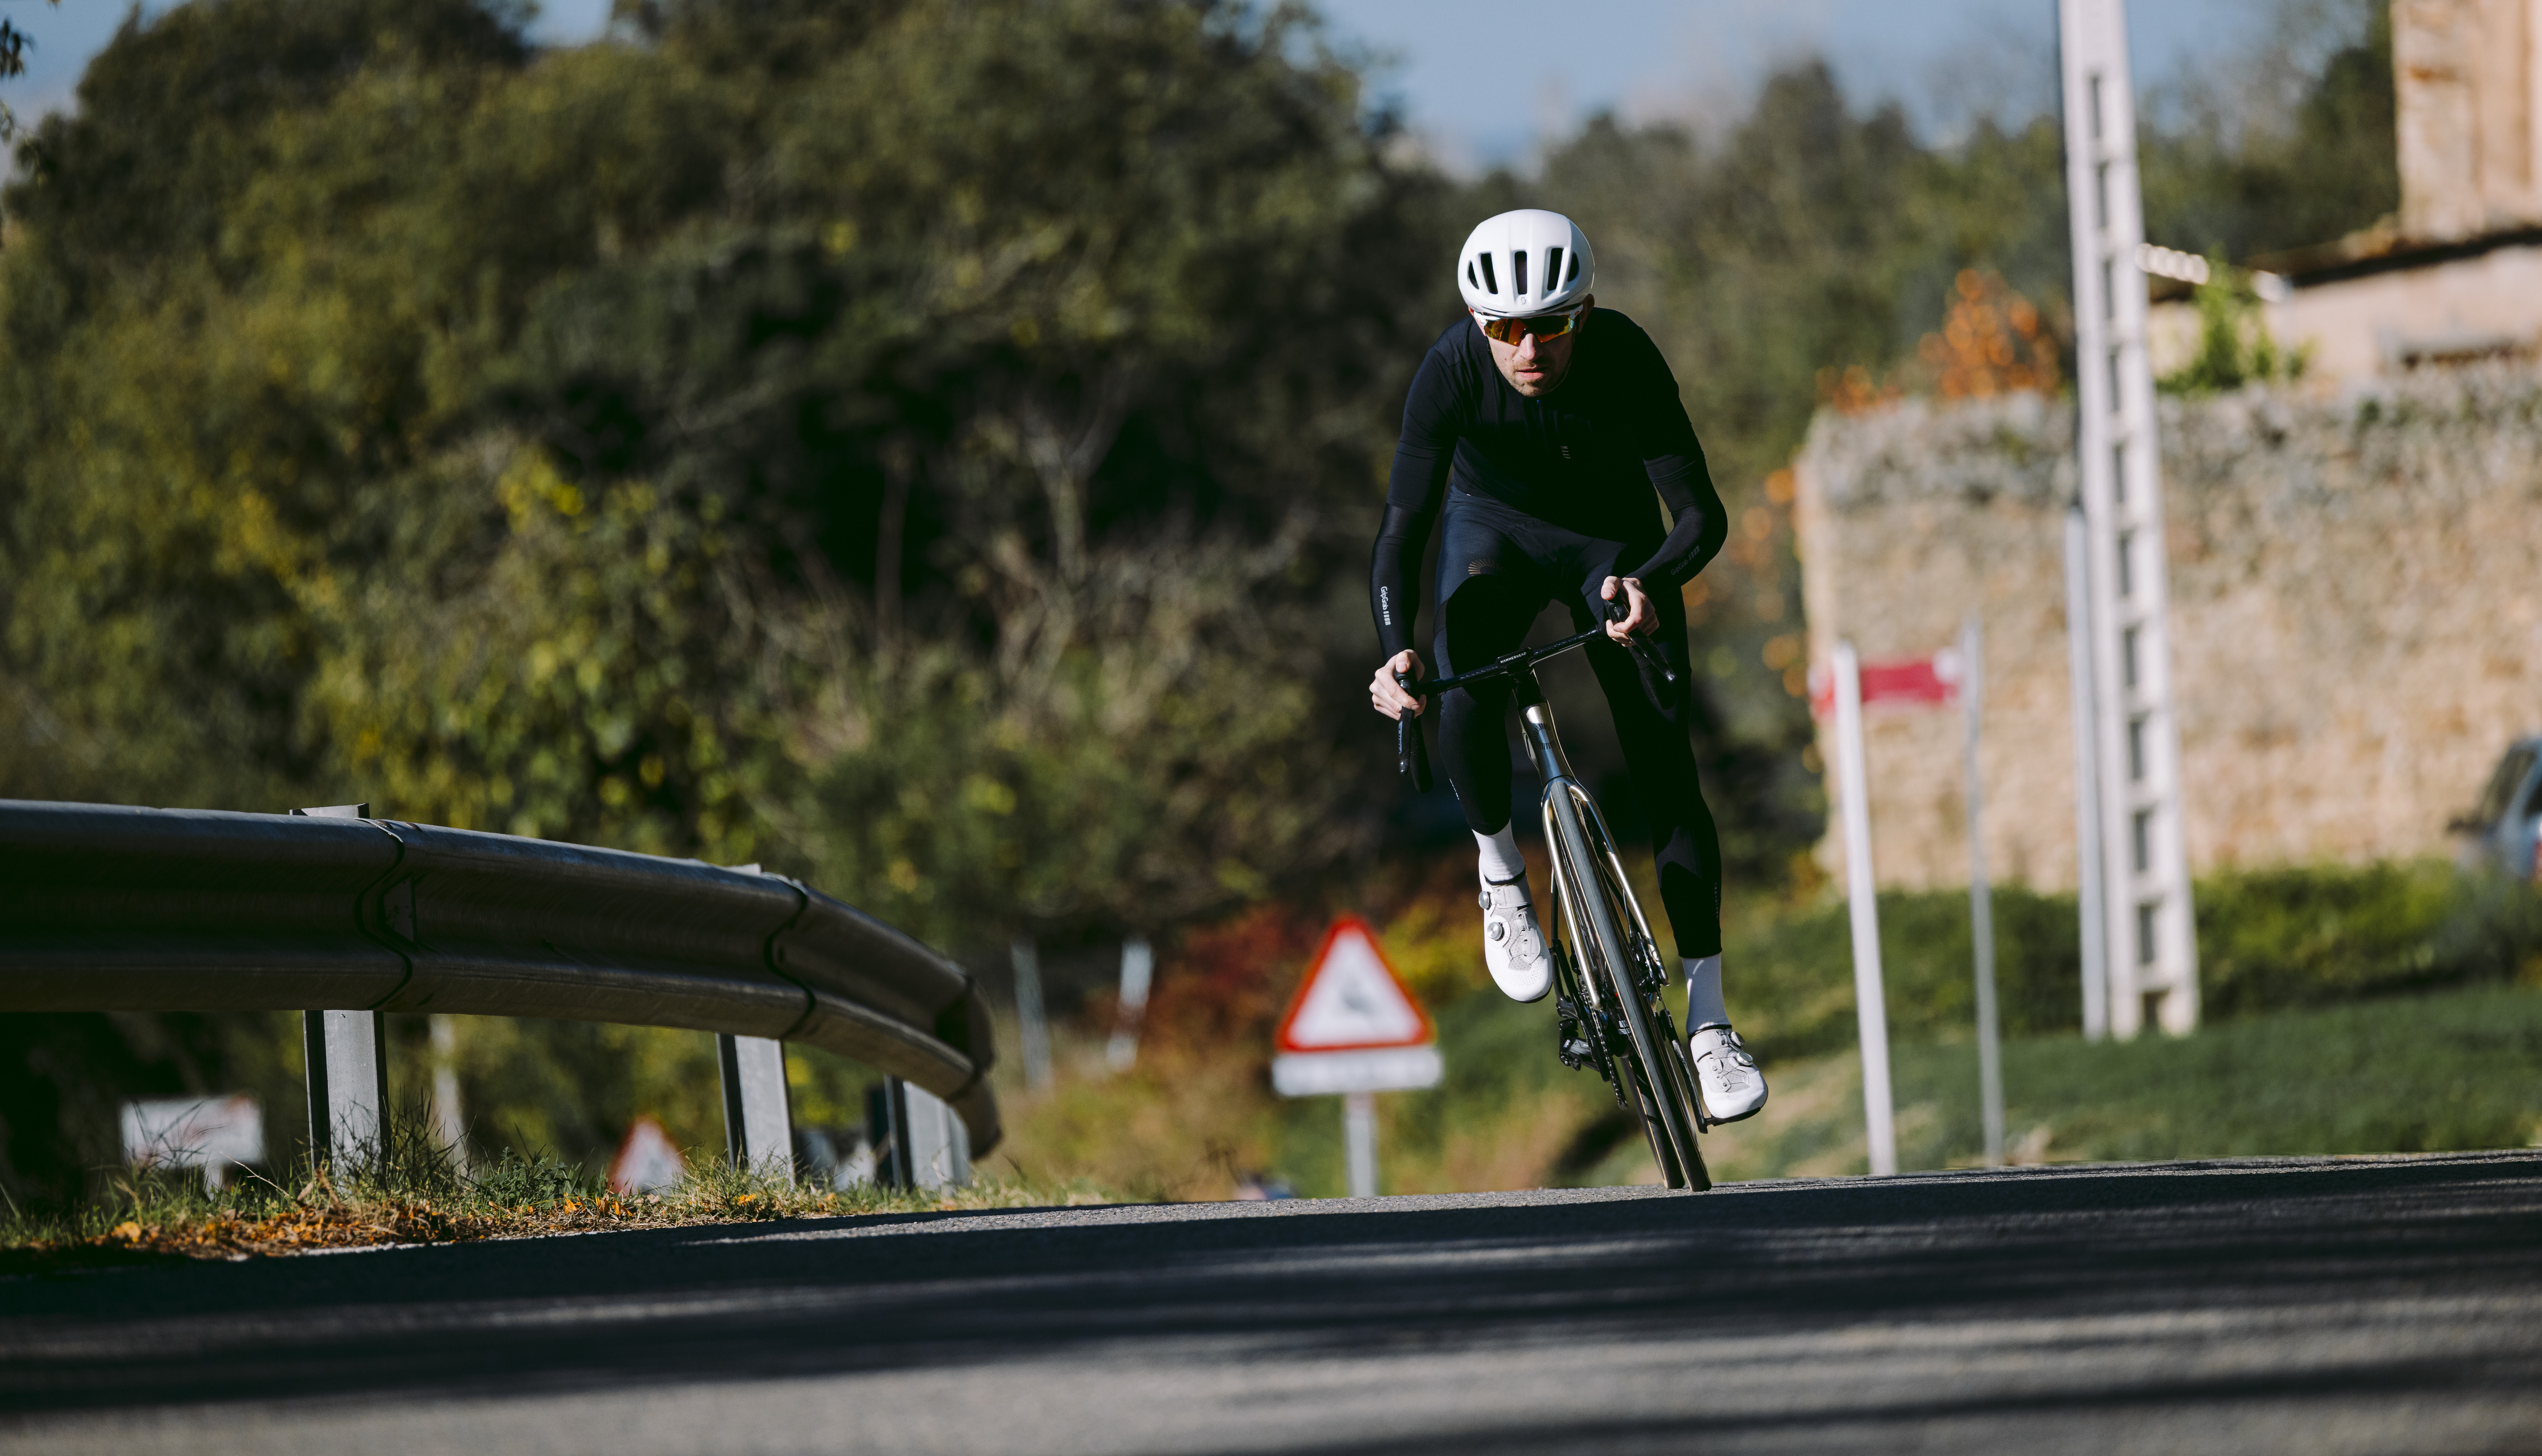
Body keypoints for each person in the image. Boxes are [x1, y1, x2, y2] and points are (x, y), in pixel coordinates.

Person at [1366, 208, 1765, 1123]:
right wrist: (1395, 646)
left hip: (1611, 544)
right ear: (1479, 325)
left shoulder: (1625, 357)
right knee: (1463, 665)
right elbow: (1403, 528)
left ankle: (1710, 1027)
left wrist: (1654, 583)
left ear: (1582, 314)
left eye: (1549, 324)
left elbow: (1702, 515)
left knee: (1671, 770)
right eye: (1505, 328)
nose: (1528, 348)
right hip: (1491, 537)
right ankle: (1500, 871)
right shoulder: (1449, 372)